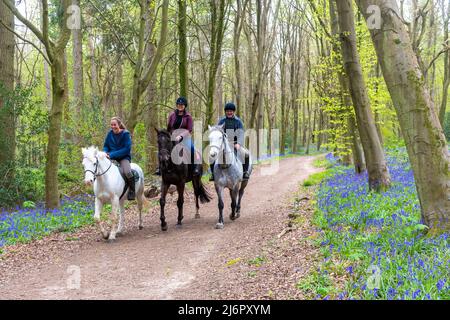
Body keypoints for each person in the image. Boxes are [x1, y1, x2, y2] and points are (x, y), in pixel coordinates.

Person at [154, 97, 202, 176]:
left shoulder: (188, 116)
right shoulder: (172, 115)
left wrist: (180, 136)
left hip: (185, 138)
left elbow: (189, 129)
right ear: (177, 105)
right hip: (173, 137)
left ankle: (195, 168)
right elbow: (169, 127)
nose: (180, 106)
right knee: (162, 149)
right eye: (179, 104)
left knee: (192, 149)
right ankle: (160, 168)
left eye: (182, 105)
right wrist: (167, 135)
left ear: (184, 106)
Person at [209, 102, 250, 181]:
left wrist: (238, 143)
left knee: (246, 154)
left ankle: (245, 172)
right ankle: (213, 174)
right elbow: (217, 131)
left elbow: (241, 133)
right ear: (225, 112)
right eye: (227, 111)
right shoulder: (221, 121)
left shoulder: (238, 121)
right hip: (223, 144)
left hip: (235, 144)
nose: (229, 112)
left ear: (233, 111)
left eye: (231, 111)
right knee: (211, 156)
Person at [103, 117, 135, 200]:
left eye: (115, 125)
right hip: (110, 157)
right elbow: (106, 145)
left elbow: (126, 149)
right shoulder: (110, 133)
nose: (113, 126)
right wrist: (105, 152)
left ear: (119, 124)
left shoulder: (126, 134)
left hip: (123, 158)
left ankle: (132, 190)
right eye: (111, 125)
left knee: (128, 172)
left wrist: (112, 155)